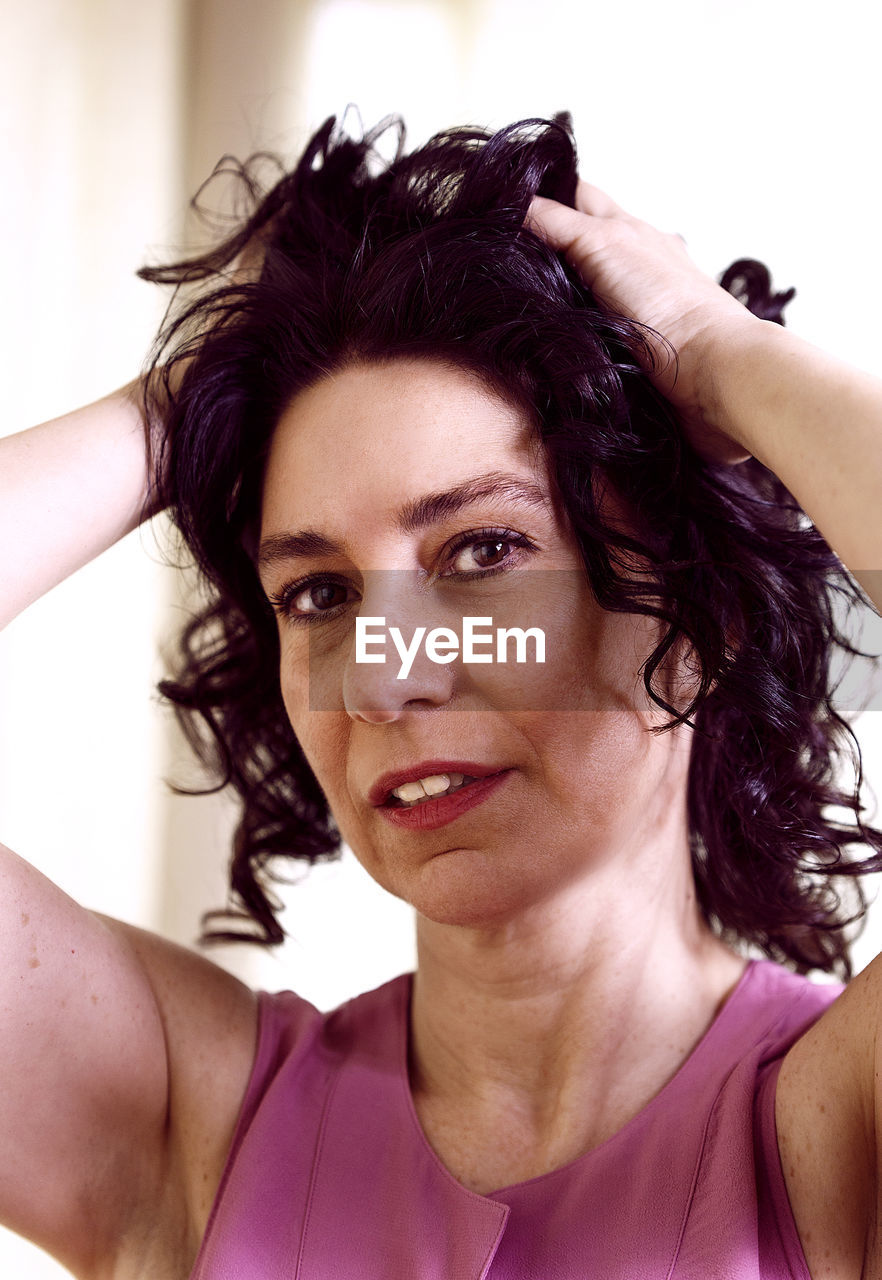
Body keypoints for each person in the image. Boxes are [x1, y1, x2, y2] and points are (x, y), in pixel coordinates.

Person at [2, 112, 882, 1279]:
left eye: (480, 553)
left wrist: (717, 353)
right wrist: (198, 396)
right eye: (318, 592)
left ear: (701, 614)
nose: (381, 671)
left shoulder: (837, 1132)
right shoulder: (183, 1124)